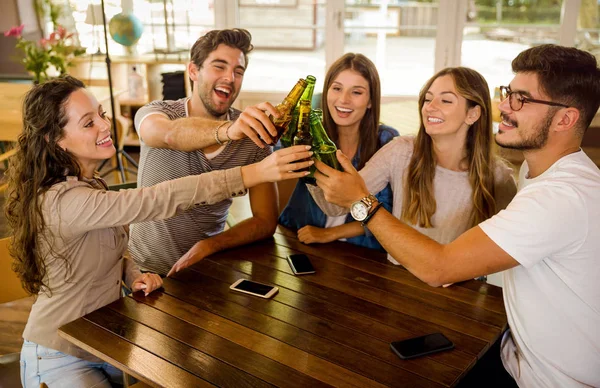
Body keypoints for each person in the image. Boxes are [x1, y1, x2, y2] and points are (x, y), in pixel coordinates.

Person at [313, 45, 600, 387]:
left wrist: (362, 201)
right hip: (511, 354)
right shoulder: (540, 174)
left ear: (566, 119)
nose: (505, 106)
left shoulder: (555, 195)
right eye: (507, 94)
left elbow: (441, 268)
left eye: (521, 99)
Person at [5, 76, 312, 388]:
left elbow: (109, 249)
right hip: (59, 356)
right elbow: (156, 199)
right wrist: (253, 173)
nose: (104, 125)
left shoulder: (89, 183)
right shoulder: (64, 200)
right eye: (88, 123)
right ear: (56, 140)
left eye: (102, 114)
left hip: (104, 343)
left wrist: (133, 274)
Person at [309, 66, 516, 264]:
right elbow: (334, 207)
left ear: (473, 114)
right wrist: (305, 159)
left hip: (458, 292)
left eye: (445, 100)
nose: (430, 107)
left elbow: (505, 251)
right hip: (399, 282)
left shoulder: (499, 177)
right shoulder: (401, 152)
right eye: (427, 99)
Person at [129, 29, 287, 276]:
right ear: (193, 71)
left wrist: (212, 244)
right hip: (143, 271)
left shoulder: (252, 137)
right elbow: (167, 134)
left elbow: (265, 221)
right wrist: (228, 130)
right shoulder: (157, 112)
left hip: (206, 271)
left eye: (238, 71)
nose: (230, 78)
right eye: (219, 66)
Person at [278, 53, 398, 250]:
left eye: (356, 92)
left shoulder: (386, 141)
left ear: (370, 101)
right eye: (336, 89)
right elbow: (275, 156)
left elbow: (387, 212)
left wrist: (329, 234)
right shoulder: (308, 134)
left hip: (361, 250)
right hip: (303, 239)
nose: (343, 100)